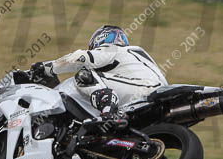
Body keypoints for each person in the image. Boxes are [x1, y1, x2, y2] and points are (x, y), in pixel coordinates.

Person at [31, 25, 167, 123]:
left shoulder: (112, 49)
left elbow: (80, 58)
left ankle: (108, 111)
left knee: (85, 75)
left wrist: (46, 68)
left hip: (143, 89)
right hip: (153, 93)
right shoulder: (133, 55)